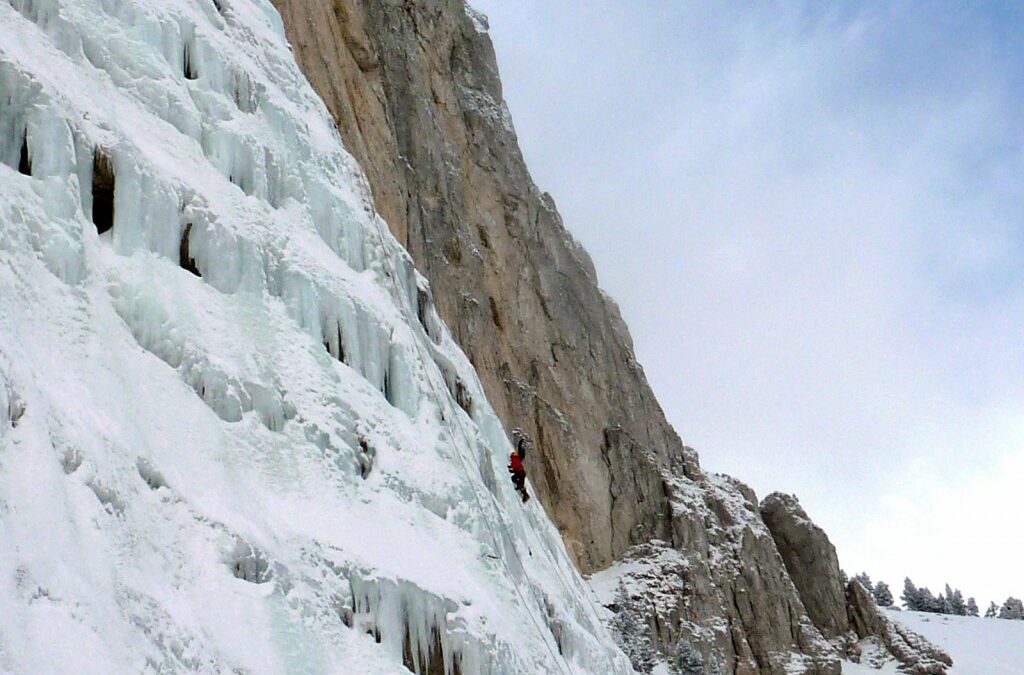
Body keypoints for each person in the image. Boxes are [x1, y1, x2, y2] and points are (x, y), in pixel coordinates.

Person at [508, 428, 532, 503]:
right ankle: (524, 493)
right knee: (517, 481)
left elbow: (515, 468)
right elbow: (515, 467)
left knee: (516, 480)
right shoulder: (517, 460)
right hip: (521, 473)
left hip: (521, 473)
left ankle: (525, 495)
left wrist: (511, 469)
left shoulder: (516, 460)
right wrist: (511, 468)